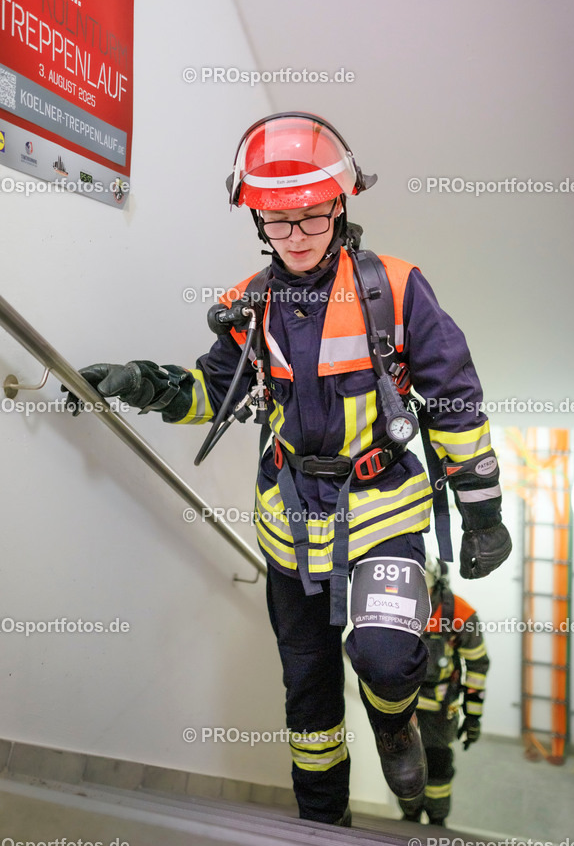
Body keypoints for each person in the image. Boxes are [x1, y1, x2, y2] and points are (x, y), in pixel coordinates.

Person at [65, 113, 511, 827]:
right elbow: (215, 390)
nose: (296, 235)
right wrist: (143, 382)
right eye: (278, 221)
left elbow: (454, 399)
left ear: (340, 204)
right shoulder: (253, 302)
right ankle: (319, 822)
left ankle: (394, 727)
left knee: (389, 658)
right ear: (257, 219)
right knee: (306, 691)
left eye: (310, 216)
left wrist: (482, 513)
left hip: (383, 510)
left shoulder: (396, 289)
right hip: (289, 520)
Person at [398, 559, 490, 826]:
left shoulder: (459, 613)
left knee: (438, 767)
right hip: (403, 706)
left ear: (435, 581)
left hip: (440, 710)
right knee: (404, 767)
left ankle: (437, 822)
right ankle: (409, 818)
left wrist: (473, 717)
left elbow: (477, 666)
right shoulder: (392, 607)